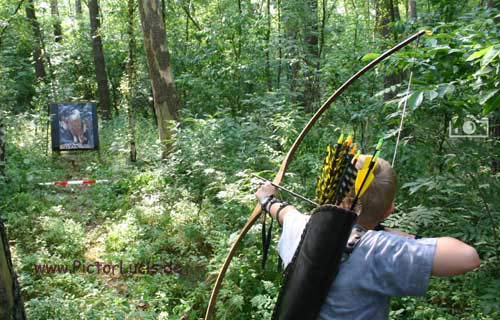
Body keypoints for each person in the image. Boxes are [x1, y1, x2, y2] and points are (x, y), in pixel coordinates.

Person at [255, 155, 480, 319]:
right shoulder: (380, 248)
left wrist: (267, 200)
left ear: (337, 194)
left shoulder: (304, 224)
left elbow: (285, 212)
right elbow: (468, 257)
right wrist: (392, 233)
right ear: (388, 211)